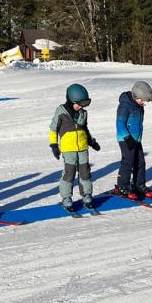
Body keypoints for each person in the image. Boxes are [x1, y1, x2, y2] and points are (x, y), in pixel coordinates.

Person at [49, 83, 100, 213]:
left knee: (85, 172)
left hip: (82, 147)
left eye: (83, 104)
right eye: (79, 104)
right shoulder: (61, 112)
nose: (81, 107)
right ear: (71, 100)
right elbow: (53, 129)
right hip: (68, 149)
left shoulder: (83, 113)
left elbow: (85, 129)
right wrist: (54, 145)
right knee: (69, 173)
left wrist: (91, 142)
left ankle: (87, 195)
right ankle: (66, 197)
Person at [114, 81, 152, 199]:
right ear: (136, 96)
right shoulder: (125, 105)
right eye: (142, 100)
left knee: (140, 162)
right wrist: (127, 138)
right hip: (125, 139)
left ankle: (139, 185)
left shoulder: (139, 106)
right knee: (128, 162)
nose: (143, 103)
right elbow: (120, 124)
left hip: (136, 139)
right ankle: (122, 186)